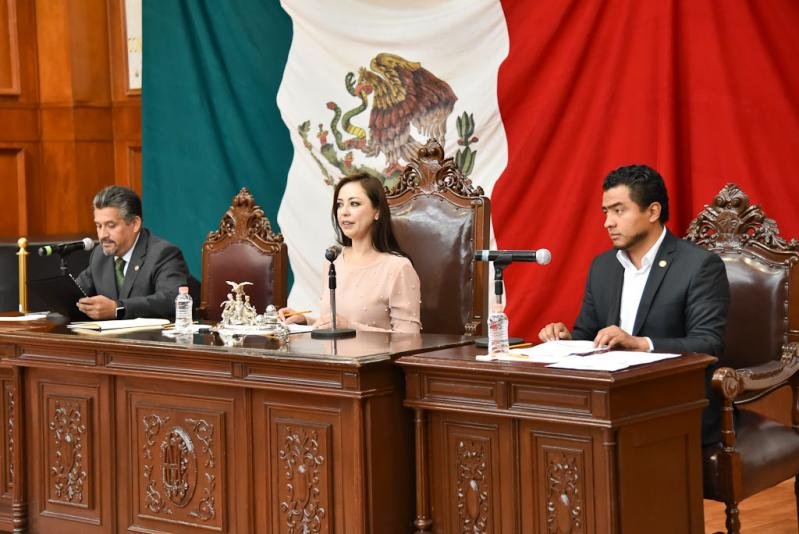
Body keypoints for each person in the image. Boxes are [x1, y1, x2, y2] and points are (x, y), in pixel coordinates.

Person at [538, 164, 730, 445]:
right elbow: (587, 335)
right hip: (611, 402)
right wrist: (565, 341)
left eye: (619, 210)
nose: (608, 223)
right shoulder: (603, 266)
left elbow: (707, 343)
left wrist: (640, 344)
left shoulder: (699, 266)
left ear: (652, 212)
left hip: (675, 404)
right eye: (606, 212)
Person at [279, 173, 421, 333]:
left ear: (377, 212)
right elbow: (336, 323)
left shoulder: (398, 267)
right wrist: (305, 321)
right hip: (331, 350)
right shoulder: (333, 261)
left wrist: (350, 327)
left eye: (354, 203)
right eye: (339, 205)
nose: (344, 212)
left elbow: (409, 338)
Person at [75, 185, 189, 320]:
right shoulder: (100, 255)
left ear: (135, 223)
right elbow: (76, 294)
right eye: (99, 226)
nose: (102, 235)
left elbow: (172, 300)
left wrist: (118, 309)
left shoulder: (163, 254)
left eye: (111, 225)